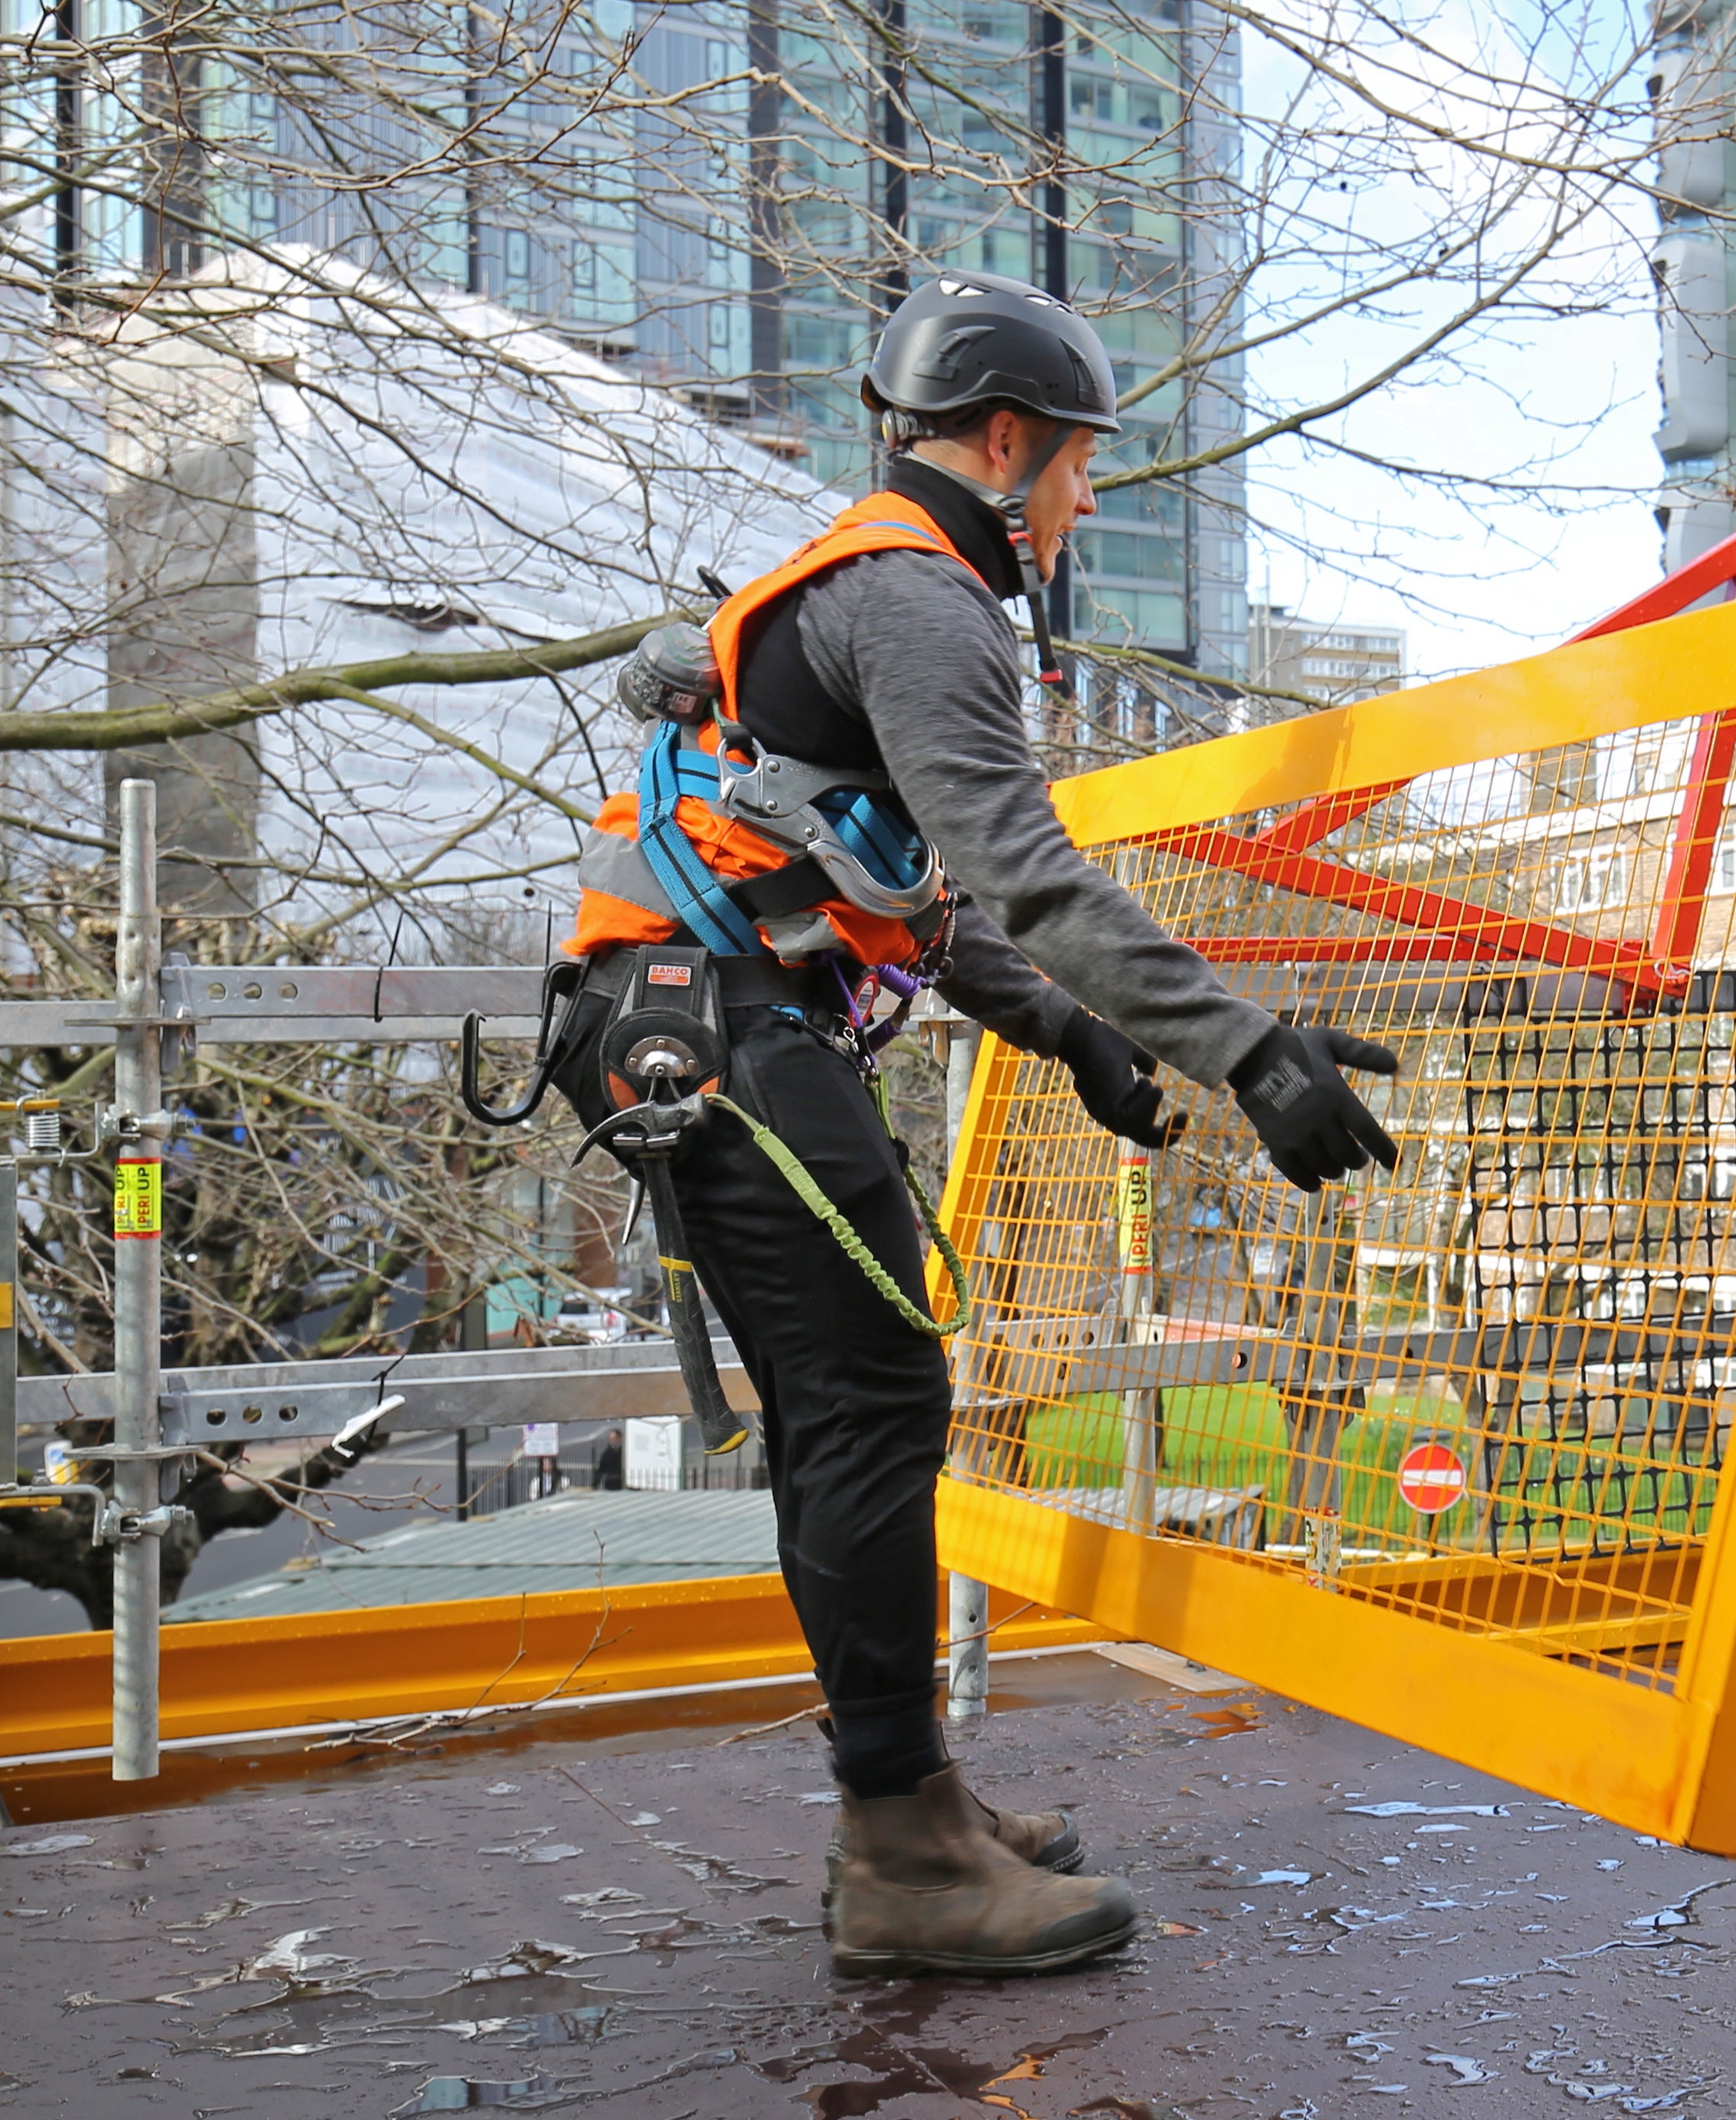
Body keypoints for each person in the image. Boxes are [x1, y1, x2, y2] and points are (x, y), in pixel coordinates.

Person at [558, 270, 1398, 1979]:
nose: (1084, 504)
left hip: (688, 1021)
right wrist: (1247, 1051)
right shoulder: (925, 597)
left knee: (840, 1404)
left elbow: (911, 901)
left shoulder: (867, 588)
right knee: (874, 1396)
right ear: (1005, 447)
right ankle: (905, 1851)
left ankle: (911, 1799)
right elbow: (1029, 865)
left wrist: (1079, 1034)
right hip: (713, 1032)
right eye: (1082, 467)